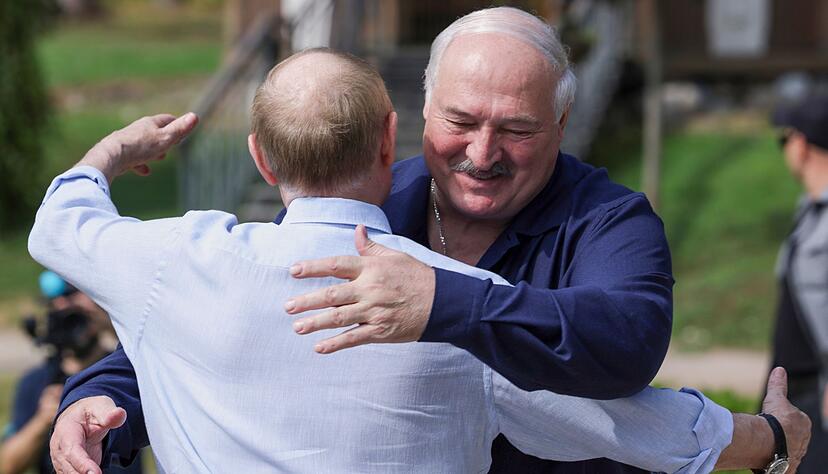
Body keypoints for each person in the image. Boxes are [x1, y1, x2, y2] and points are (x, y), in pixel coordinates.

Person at [48, 7, 809, 473]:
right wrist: (98, 397)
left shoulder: (608, 220)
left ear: (561, 125)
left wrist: (450, 304)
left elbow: (627, 352)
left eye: (516, 129)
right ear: (406, 123)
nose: (482, 152)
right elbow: (235, 325)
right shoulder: (368, 204)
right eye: (460, 122)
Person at [0, 272, 141, 474]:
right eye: (57, 307)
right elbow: (8, 465)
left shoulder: (123, 376)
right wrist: (43, 421)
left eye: (75, 298)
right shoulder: (36, 382)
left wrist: (103, 313)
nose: (66, 310)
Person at [769, 94, 828, 472]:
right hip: (795, 394)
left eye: (784, 138)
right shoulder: (809, 210)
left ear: (802, 144)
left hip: (818, 397)